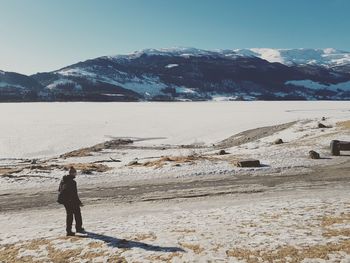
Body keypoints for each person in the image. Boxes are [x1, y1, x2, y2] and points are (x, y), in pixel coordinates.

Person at [58, 166, 85, 236]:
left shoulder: (63, 180)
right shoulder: (72, 182)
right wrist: (79, 202)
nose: (76, 174)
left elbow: (59, 189)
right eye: (75, 172)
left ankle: (69, 230)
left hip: (65, 201)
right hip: (71, 200)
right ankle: (78, 228)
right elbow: (74, 194)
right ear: (72, 173)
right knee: (77, 213)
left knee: (69, 215)